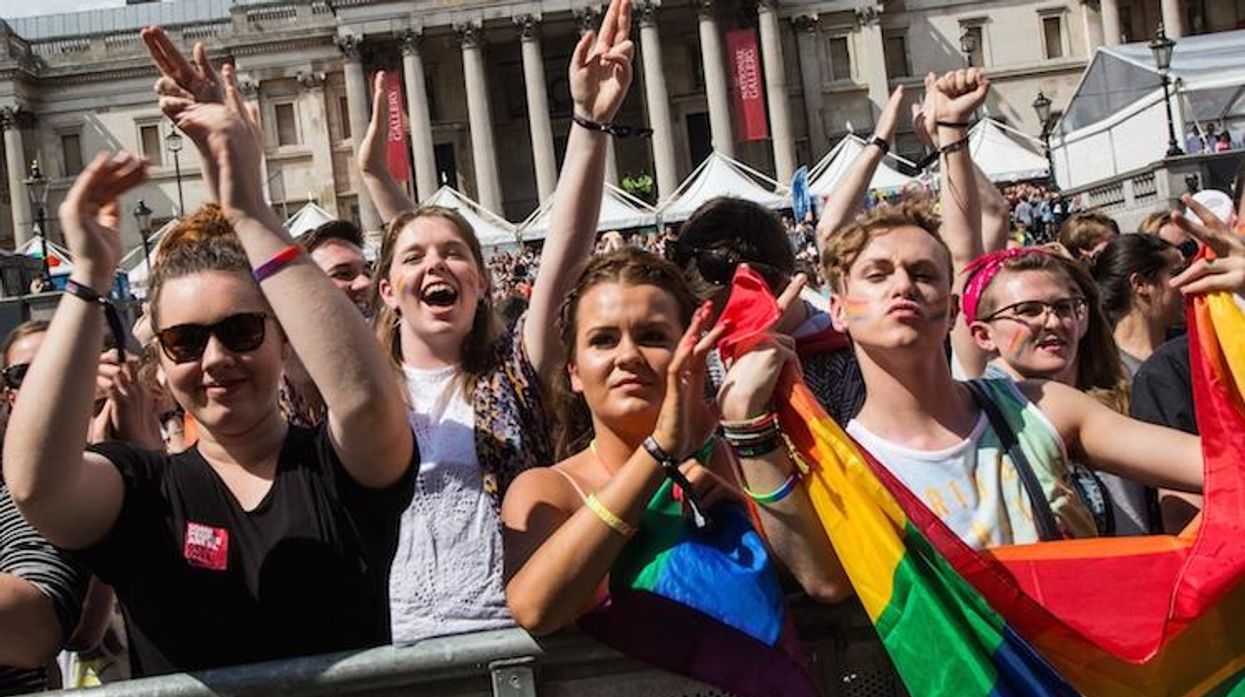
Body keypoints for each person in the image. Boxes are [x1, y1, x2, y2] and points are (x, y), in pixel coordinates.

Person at [3, 29, 416, 677]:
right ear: (160, 364)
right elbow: (34, 482)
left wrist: (247, 208)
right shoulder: (144, 491)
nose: (215, 357)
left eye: (242, 330)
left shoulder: (337, 469)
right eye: (185, 340)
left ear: (282, 336)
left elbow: (366, 396)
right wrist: (87, 278)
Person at [818, 69, 1204, 549]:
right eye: (878, 275)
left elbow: (1217, 468)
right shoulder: (835, 464)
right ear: (837, 309)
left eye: (922, 275)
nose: (903, 286)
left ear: (955, 307)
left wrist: (954, 134)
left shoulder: (1040, 406)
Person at [360, 0, 638, 645]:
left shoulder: (512, 373)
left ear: (483, 283)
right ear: (387, 289)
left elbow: (566, 255)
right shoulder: (363, 394)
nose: (438, 265)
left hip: (515, 637)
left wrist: (591, 124)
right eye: (416, 258)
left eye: (456, 253)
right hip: (392, 649)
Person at [501, 248, 846, 638]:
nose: (628, 355)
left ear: (690, 348)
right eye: (603, 340)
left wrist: (742, 503)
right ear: (575, 372)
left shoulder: (737, 461)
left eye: (651, 336)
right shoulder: (548, 490)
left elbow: (826, 584)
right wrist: (658, 452)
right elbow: (535, 610)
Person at [1, 322, 90, 696]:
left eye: (59, 366)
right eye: (26, 375)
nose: (46, 385)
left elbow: (41, 627)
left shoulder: (19, 493)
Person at [279, 218, 373, 428]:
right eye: (342, 274)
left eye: (367, 272)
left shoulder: (394, 382)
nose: (365, 283)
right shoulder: (257, 389)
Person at [1091, 233, 1184, 376]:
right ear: (1141, 284)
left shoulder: (1191, 348)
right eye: (1177, 274)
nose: (1188, 281)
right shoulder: (1105, 372)